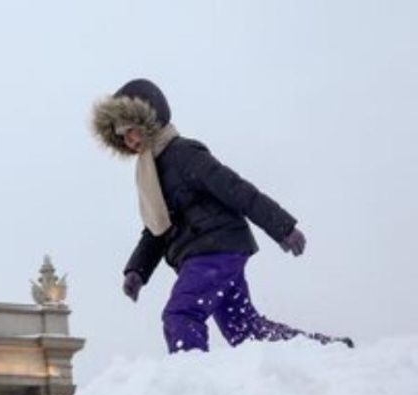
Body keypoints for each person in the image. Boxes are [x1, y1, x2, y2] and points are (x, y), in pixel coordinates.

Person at [91, 78, 351, 353]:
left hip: (215, 249)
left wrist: (282, 227)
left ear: (150, 118)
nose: (129, 139)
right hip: (205, 255)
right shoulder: (150, 172)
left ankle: (190, 382)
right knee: (245, 329)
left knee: (181, 315)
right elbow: (156, 230)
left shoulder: (183, 153)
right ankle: (325, 351)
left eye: (131, 130)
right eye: (123, 136)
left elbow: (234, 189)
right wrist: (137, 270)